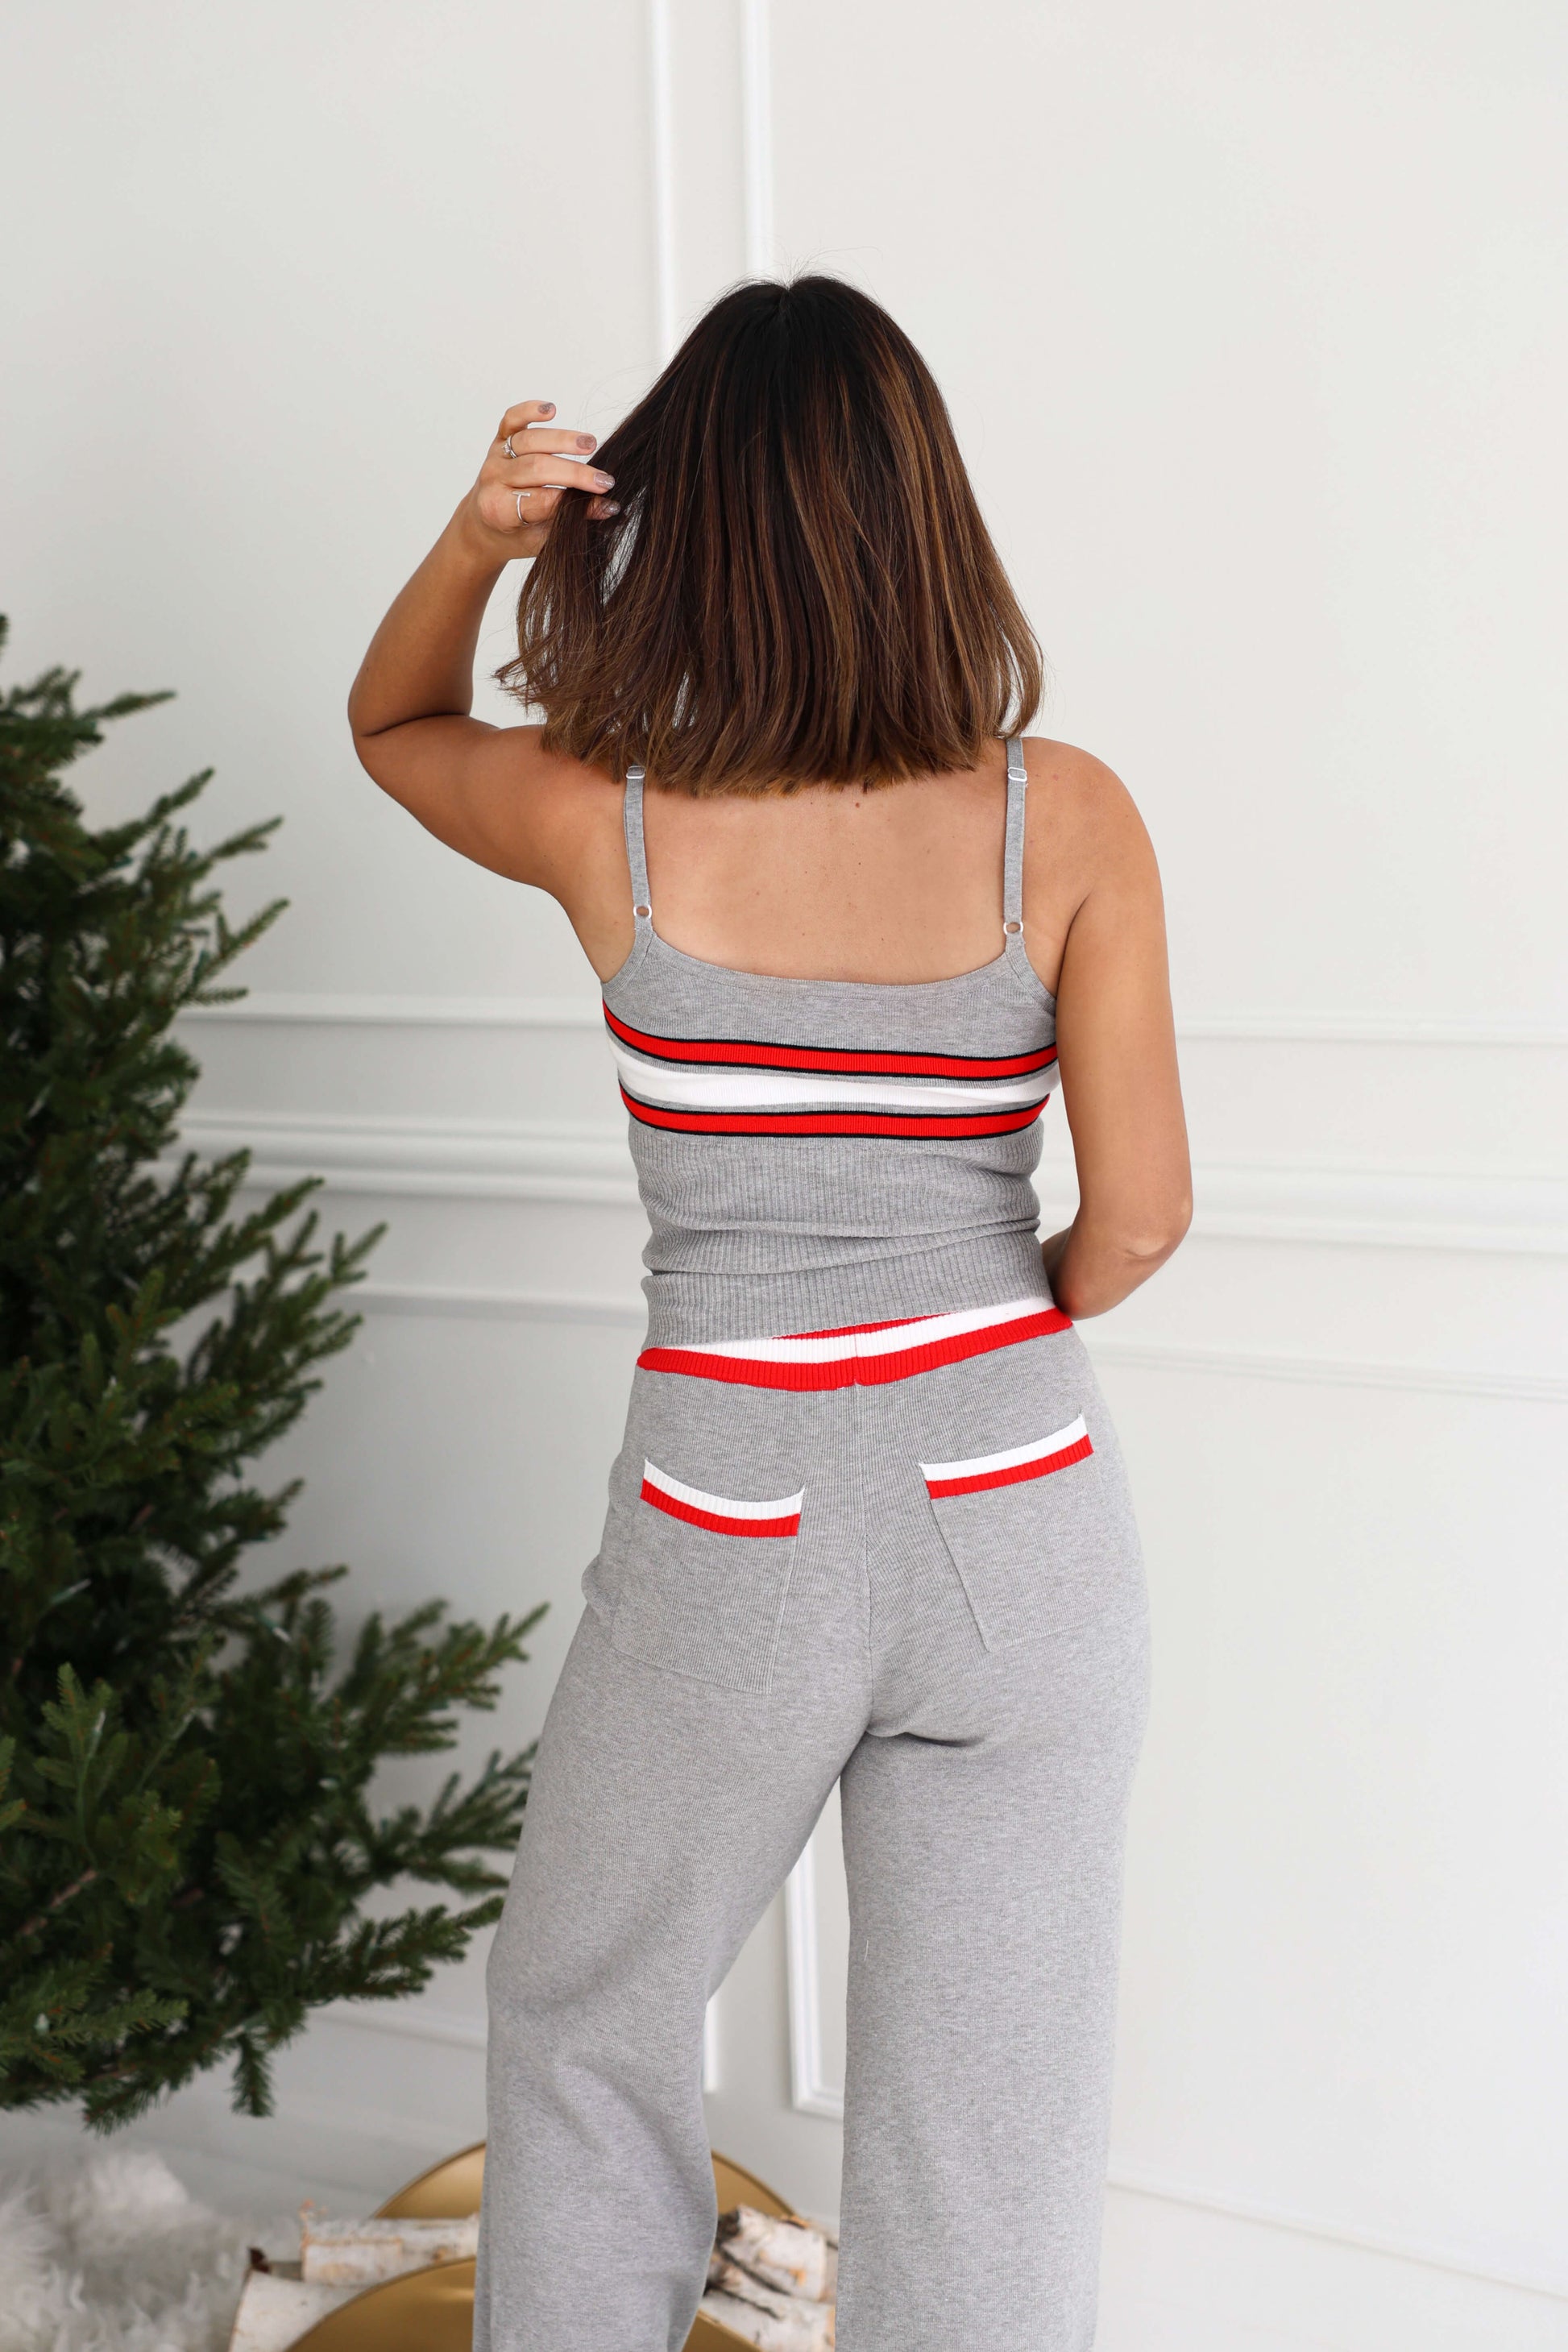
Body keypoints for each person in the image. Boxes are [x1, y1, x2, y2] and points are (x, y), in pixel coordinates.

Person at [348, 275, 1190, 2352]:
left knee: (586, 2021)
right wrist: (989, 1320)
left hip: (736, 1515)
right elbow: (1147, 1220)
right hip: (1027, 1508)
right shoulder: (1058, 810)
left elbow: (391, 729)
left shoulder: (607, 815)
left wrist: (478, 542)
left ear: (683, 523)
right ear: (932, 523)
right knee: (988, 2128)